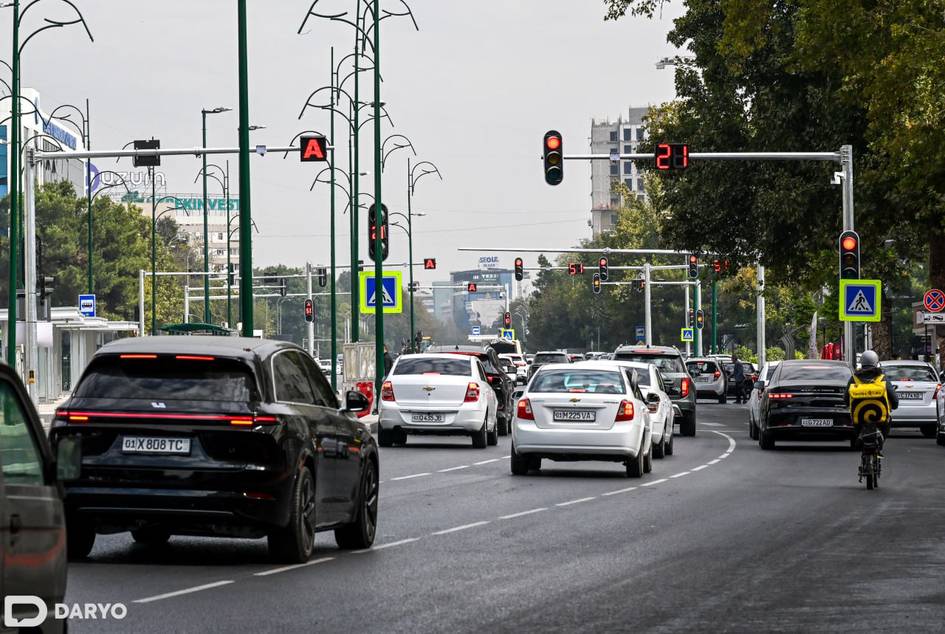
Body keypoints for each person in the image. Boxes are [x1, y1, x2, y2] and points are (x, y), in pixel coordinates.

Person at [846, 350, 898, 454]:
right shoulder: (882, 378)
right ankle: (880, 444)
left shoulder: (854, 378)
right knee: (888, 420)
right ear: (876, 362)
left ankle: (860, 440)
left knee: (854, 422)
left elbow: (846, 398)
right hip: (880, 418)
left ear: (862, 363)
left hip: (859, 418)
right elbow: (894, 400)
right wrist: (894, 405)